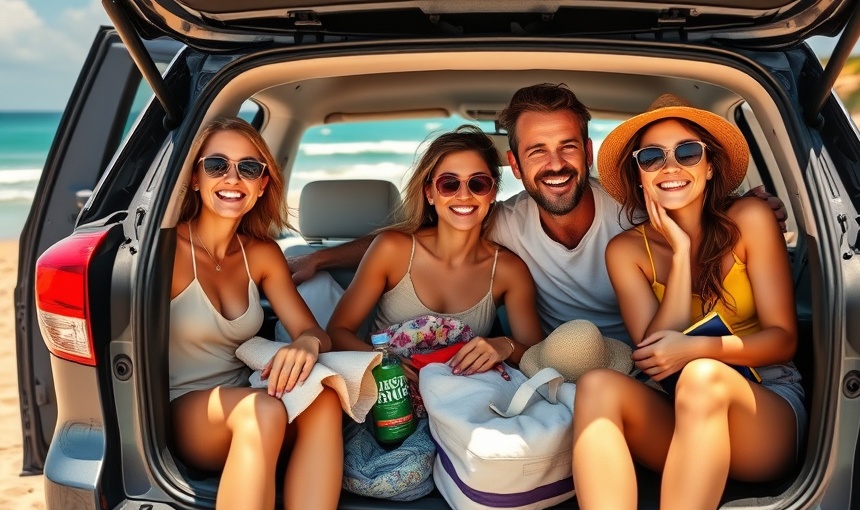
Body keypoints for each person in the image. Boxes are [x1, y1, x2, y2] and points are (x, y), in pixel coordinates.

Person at [288, 83, 786, 349]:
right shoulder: (501, 222)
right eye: (537, 151)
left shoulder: (637, 204)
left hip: (650, 356)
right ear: (515, 163)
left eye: (567, 147)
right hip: (557, 362)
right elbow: (421, 238)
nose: (554, 165)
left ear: (587, 152)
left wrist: (745, 211)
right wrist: (323, 257)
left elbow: (695, 213)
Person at [572, 94, 806, 510]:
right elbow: (654, 357)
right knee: (595, 385)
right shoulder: (626, 251)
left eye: (687, 152)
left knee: (701, 376)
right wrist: (679, 254)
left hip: (764, 409)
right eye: (652, 158)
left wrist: (698, 349)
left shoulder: (750, 218)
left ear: (710, 165)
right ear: (639, 175)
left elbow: (783, 339)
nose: (671, 167)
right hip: (680, 417)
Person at [168, 118, 342, 510]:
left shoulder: (261, 254)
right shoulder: (164, 252)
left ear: (262, 184)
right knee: (261, 409)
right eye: (217, 165)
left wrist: (307, 343)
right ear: (195, 177)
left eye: (248, 168)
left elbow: (312, 331)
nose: (233, 178)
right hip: (184, 410)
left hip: (247, 398)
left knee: (324, 397)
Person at [327, 125, 543, 373]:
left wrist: (506, 346)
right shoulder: (392, 249)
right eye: (449, 184)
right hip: (389, 395)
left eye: (478, 183)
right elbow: (337, 332)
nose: (464, 195)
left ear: (492, 192)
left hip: (462, 400)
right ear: (430, 192)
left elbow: (537, 358)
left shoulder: (509, 270)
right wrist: (387, 364)